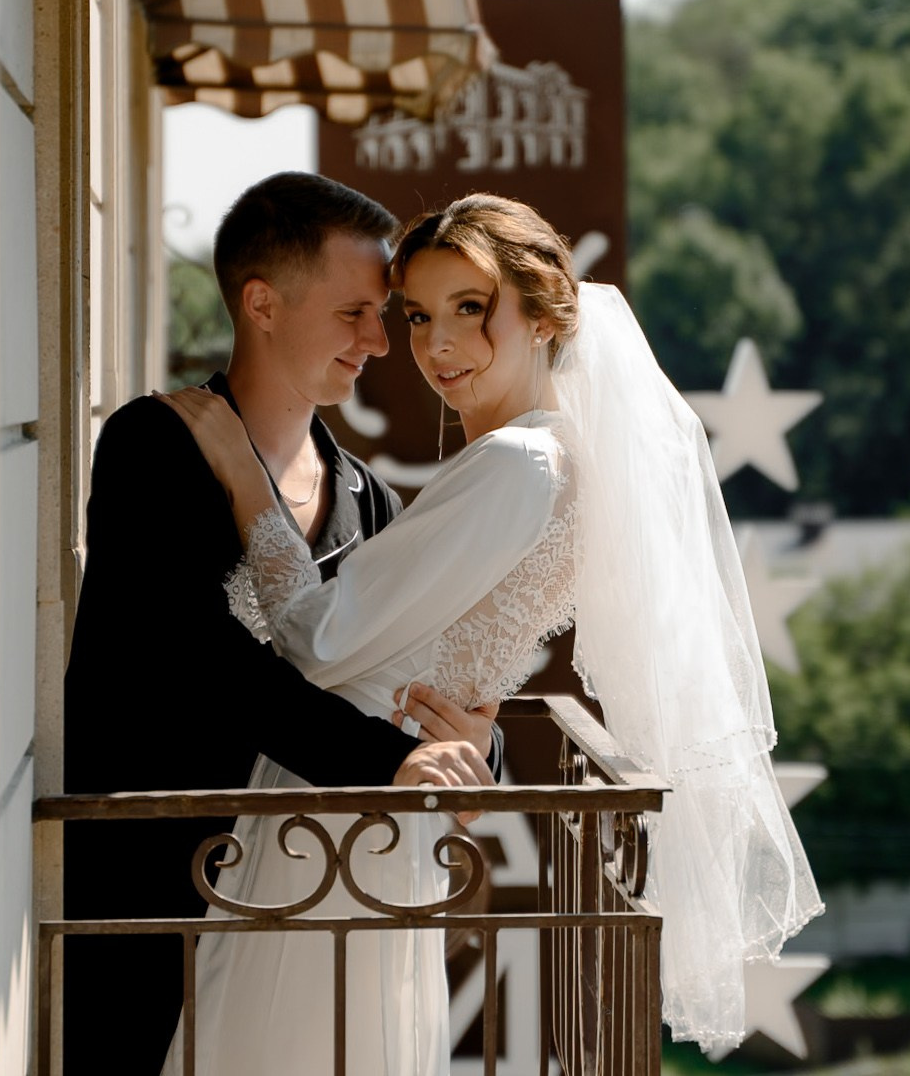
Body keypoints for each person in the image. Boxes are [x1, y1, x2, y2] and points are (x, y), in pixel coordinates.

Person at [157, 194, 822, 1074]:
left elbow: (319, 640)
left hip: (338, 818)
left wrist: (245, 480)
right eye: (419, 316)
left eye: (471, 311)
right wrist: (483, 735)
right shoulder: (551, 459)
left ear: (545, 310)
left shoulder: (519, 464)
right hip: (378, 818)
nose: (437, 347)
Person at [60, 173, 499, 1076]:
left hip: (316, 914)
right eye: (355, 313)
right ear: (261, 302)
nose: (380, 341)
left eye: (384, 315)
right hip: (152, 900)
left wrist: (470, 750)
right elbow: (202, 658)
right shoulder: (153, 446)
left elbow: (409, 679)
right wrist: (391, 763)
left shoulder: (368, 497)